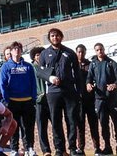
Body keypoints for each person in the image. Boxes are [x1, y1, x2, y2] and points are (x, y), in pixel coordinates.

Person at [36, 28, 80, 156]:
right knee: (56, 121)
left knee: (71, 120)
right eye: (52, 36)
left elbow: (77, 73)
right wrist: (50, 78)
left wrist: (79, 91)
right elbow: (40, 72)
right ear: (49, 38)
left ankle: (72, 148)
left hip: (69, 91)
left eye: (57, 35)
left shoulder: (70, 53)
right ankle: (59, 149)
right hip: (53, 92)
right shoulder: (44, 54)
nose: (55, 38)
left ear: (61, 37)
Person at [0, 41, 38, 156]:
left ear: (21, 51)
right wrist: (6, 100)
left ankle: (29, 148)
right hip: (12, 102)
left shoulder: (28, 66)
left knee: (28, 127)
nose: (17, 50)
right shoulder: (5, 67)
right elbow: (2, 85)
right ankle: (14, 149)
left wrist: (33, 98)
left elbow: (33, 83)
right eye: (14, 49)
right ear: (11, 52)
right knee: (13, 127)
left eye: (19, 48)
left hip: (27, 102)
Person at [87, 42, 117, 156]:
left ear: (104, 50)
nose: (100, 51)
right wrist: (88, 84)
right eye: (97, 50)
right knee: (103, 123)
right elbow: (89, 78)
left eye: (101, 49)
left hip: (112, 98)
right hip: (99, 99)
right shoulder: (93, 65)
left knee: (116, 123)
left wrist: (114, 85)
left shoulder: (111, 63)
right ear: (95, 51)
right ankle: (107, 146)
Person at [72, 44, 100, 156]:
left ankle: (97, 148)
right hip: (78, 100)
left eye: (82, 52)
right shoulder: (72, 66)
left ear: (85, 52)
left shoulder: (91, 65)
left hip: (90, 99)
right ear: (76, 52)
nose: (80, 54)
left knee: (94, 125)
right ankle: (81, 148)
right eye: (78, 52)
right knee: (80, 126)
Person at [30, 45, 52, 156]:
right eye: (37, 55)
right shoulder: (31, 68)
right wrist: (37, 96)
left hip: (51, 100)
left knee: (56, 125)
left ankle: (60, 148)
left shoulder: (48, 66)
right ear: (34, 57)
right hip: (38, 102)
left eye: (41, 54)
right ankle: (46, 150)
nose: (39, 57)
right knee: (41, 127)